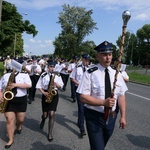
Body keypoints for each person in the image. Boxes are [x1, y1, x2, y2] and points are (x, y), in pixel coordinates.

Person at [77, 41, 128, 150]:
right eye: (104, 55)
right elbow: (83, 97)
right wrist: (103, 102)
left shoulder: (116, 74)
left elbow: (121, 96)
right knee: (98, 148)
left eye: (109, 54)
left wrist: (123, 116)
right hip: (94, 117)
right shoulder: (90, 73)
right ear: (98, 56)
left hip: (111, 117)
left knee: (100, 145)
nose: (108, 57)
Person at [0, 63, 32, 149]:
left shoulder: (24, 75)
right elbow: (0, 87)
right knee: (10, 120)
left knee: (20, 119)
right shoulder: (5, 75)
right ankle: (10, 139)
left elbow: (29, 85)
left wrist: (15, 85)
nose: (14, 67)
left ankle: (18, 126)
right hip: (9, 100)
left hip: (21, 100)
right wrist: (0, 96)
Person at [36, 61, 64, 142]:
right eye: (51, 67)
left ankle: (50, 133)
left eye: (53, 67)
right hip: (45, 94)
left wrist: (56, 84)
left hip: (54, 95)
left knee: (51, 114)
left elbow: (61, 86)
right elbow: (38, 86)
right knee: (45, 115)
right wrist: (43, 92)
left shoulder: (58, 75)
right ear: (48, 67)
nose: (52, 68)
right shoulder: (43, 75)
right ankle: (43, 119)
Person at [70, 54, 90, 137]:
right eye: (85, 60)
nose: (86, 61)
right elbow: (72, 77)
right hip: (79, 90)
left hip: (88, 92)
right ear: (82, 59)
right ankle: (82, 129)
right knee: (81, 109)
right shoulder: (77, 67)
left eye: (88, 60)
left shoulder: (90, 69)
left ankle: (79, 122)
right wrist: (78, 83)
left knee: (85, 110)